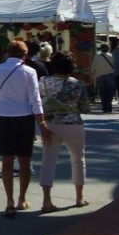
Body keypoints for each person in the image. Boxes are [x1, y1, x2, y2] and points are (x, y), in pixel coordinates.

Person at [0, 38, 48, 218]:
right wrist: (41, 123)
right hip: (24, 118)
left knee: (6, 161)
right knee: (24, 162)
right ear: (25, 54)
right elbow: (35, 100)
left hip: (3, 117)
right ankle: (21, 198)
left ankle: (9, 202)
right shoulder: (29, 71)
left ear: (7, 52)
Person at [38, 52, 91, 213]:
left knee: (48, 161)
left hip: (50, 124)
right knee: (78, 159)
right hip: (73, 124)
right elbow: (85, 108)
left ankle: (47, 201)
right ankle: (79, 197)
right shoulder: (78, 84)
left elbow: (38, 100)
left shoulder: (43, 82)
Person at [91, 43, 116, 113]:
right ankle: (109, 105)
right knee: (110, 92)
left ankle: (104, 107)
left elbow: (93, 67)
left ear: (101, 49)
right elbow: (115, 66)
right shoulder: (112, 56)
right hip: (110, 76)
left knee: (102, 92)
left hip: (100, 76)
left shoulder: (97, 57)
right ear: (108, 48)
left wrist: (92, 74)